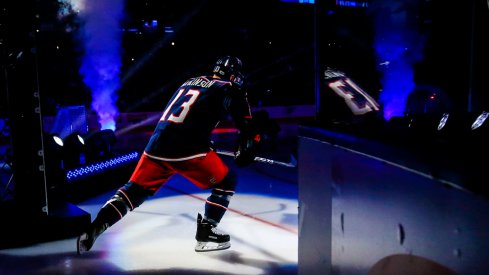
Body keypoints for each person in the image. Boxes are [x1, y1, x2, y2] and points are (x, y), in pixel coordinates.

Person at [77, 56, 260, 254]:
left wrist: (204, 139)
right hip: (187, 149)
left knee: (132, 193)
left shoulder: (190, 82)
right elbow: (248, 129)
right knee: (227, 181)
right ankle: (206, 233)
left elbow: (187, 116)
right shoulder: (230, 88)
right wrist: (248, 145)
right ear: (233, 75)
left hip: (157, 145)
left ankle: (95, 228)